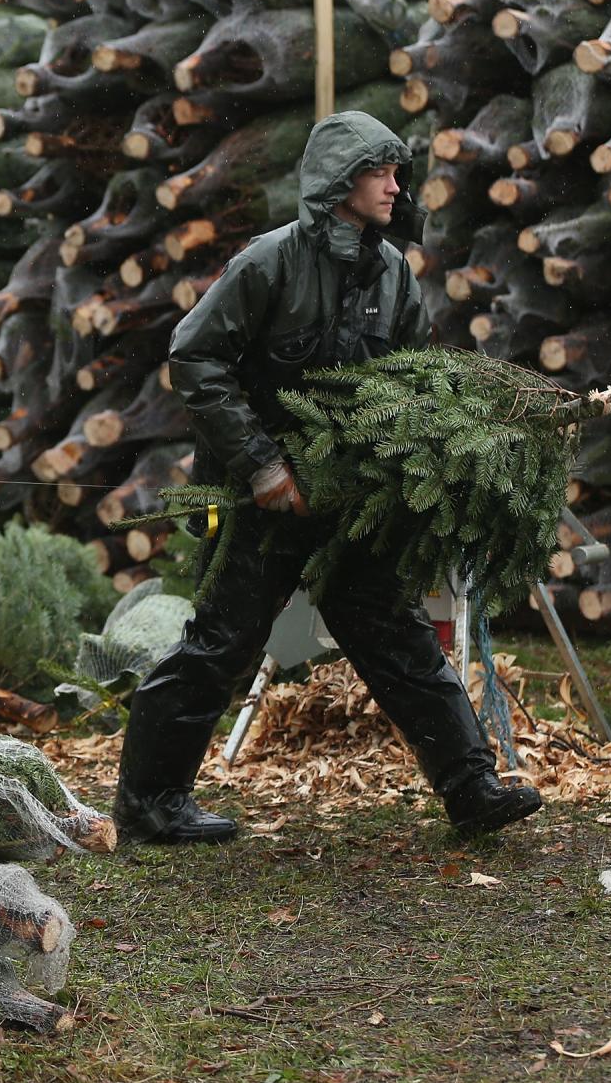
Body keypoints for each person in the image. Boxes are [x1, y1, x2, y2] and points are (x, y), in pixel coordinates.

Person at [112, 110, 545, 844]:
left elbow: (414, 387)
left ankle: (472, 788)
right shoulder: (269, 262)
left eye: (396, 172)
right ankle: (150, 799)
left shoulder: (393, 275)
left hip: (347, 503)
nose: (394, 184)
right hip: (258, 497)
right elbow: (194, 356)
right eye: (381, 171)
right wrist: (262, 464)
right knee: (224, 641)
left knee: (401, 636)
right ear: (342, 181)